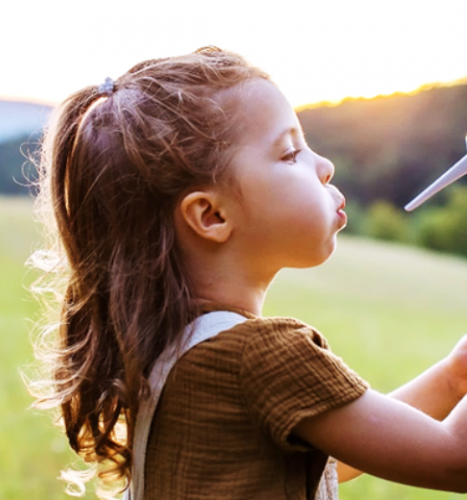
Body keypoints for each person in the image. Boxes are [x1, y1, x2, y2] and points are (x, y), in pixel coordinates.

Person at [28, 46, 467, 500]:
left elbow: (334, 455)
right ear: (212, 216)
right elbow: (457, 462)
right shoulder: (263, 356)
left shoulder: (178, 351)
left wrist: (454, 377)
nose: (325, 166)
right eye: (290, 153)